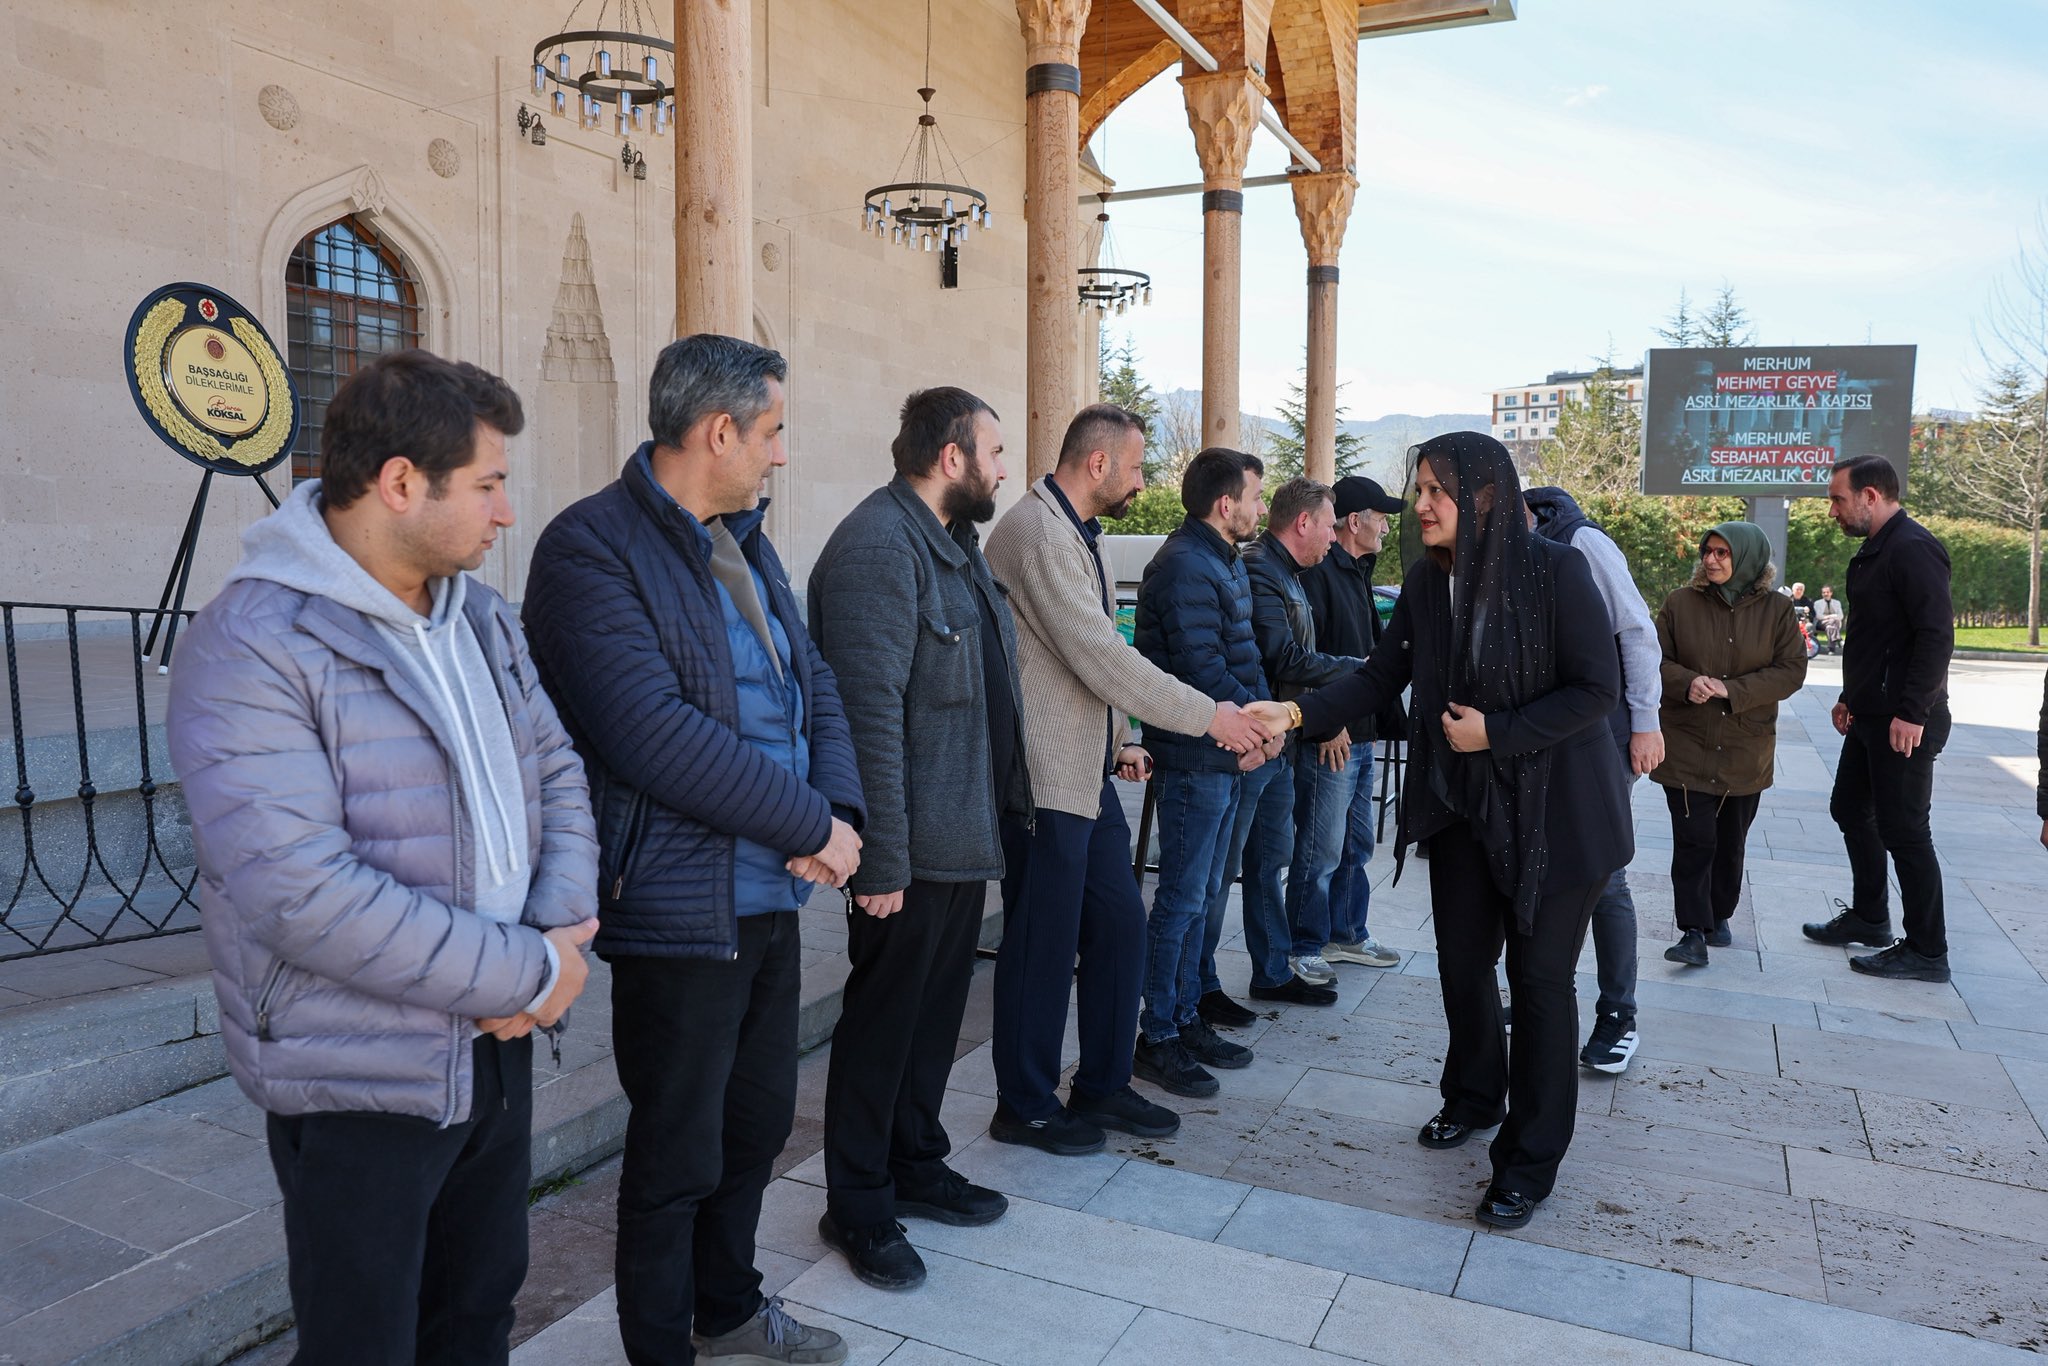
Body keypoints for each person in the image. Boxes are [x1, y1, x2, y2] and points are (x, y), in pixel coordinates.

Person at [165, 349, 601, 1365]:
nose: (503, 513)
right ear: (402, 482)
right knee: (364, 1341)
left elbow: (558, 773)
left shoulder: (482, 620)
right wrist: (532, 971)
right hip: (362, 1069)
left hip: (497, 1041)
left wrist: (555, 927)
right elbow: (302, 894)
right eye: (488, 485)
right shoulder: (253, 641)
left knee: (476, 1312)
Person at [522, 335, 860, 1366]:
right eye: (773, 432)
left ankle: (726, 1310)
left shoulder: (747, 544)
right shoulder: (589, 548)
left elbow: (815, 687)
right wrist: (810, 825)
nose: (781, 455)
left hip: (770, 896)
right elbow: (653, 735)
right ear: (718, 431)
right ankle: (660, 1346)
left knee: (754, 1125)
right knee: (675, 1152)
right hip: (676, 906)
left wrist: (836, 809)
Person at [1246, 433, 1631, 1230]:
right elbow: (1383, 676)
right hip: (1462, 807)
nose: (1418, 505)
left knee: (1540, 983)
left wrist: (1500, 731)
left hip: (1559, 818)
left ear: (1484, 494)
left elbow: (1597, 688)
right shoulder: (1427, 581)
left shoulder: (1559, 571)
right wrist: (1291, 714)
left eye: (1433, 491)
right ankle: (1474, 1096)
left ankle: (1529, 1161)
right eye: (1417, 489)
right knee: (1462, 965)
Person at [982, 403, 1268, 1156]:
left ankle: (1104, 1084)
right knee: (1042, 945)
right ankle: (1025, 1104)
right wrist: (1211, 716)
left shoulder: (1076, 531)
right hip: (1042, 780)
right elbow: (1098, 656)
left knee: (1119, 925)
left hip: (1085, 772)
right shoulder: (1037, 532)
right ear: (1099, 463)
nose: (1145, 481)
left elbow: (1083, 654)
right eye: (1138, 466)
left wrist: (1121, 738)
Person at [804, 387, 1025, 1290]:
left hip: (958, 835)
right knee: (882, 1026)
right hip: (906, 852)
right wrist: (881, 860)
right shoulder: (876, 549)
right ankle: (857, 1202)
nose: (1003, 470)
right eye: (996, 453)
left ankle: (915, 1160)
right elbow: (867, 722)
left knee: (933, 1021)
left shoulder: (953, 547)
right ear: (951, 457)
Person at [1132, 448, 1270, 1099]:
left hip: (1224, 751)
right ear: (1226, 504)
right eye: (1255, 497)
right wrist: (1251, 729)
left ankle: (1185, 1017)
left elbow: (1245, 658)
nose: (1261, 509)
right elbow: (1199, 670)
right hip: (1194, 759)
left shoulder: (1219, 559)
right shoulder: (1187, 566)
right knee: (1182, 899)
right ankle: (1157, 1034)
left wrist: (1266, 725)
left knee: (1205, 891)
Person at [1524, 486, 1663, 1075]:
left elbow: (1635, 631)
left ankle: (1618, 1016)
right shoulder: (1513, 550)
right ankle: (1545, 995)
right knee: (1536, 866)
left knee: (1603, 875)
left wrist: (1646, 723)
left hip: (1601, 734)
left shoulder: (1582, 542)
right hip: (1540, 736)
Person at [1802, 455, 1955, 982]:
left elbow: (1936, 636)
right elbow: (1874, 638)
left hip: (1905, 720)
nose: (1832, 511)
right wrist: (1851, 694)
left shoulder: (1912, 549)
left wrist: (1913, 712)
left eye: (1838, 500)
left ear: (1871, 496)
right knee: (1849, 808)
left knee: (1906, 831)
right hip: (1870, 713)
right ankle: (1870, 916)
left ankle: (1928, 952)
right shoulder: (1874, 551)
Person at [1650, 523, 1807, 966]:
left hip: (1745, 748)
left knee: (1730, 842)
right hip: (1686, 744)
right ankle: (1693, 930)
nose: (1712, 560)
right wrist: (1686, 682)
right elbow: (1652, 659)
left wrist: (1730, 691)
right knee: (1694, 840)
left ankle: (1719, 916)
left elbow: (1791, 670)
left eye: (1723, 553)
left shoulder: (1778, 610)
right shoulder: (1680, 603)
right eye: (1708, 552)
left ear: (1750, 559)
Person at [1235, 477, 1364, 1002]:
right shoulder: (1261, 569)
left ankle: (1272, 972)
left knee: (1273, 861)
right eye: (1329, 526)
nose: (1334, 537)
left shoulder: (1286, 572)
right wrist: (1360, 671)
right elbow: (1283, 659)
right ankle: (1194, 997)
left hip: (1280, 740)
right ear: (1303, 523)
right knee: (1228, 875)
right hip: (1255, 740)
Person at [1297, 475, 1410, 973]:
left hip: (1361, 734)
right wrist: (1326, 723)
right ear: (1354, 521)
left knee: (1356, 845)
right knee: (1319, 850)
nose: (1386, 526)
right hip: (1333, 736)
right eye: (1381, 517)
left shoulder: (1358, 571)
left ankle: (1346, 933)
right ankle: (1303, 945)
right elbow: (1306, 658)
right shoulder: (1319, 573)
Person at [1814, 585, 1845, 654]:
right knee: (1834, 621)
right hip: (1820, 623)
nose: (1825, 594)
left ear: (1831, 593)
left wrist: (1831, 618)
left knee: (1829, 627)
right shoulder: (1817, 603)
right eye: (1824, 592)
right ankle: (1839, 639)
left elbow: (1841, 616)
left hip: (1833, 624)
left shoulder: (1837, 603)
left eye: (1827, 592)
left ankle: (1831, 649)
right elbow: (1818, 616)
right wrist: (1832, 617)